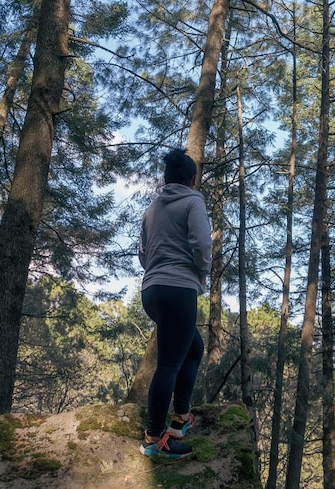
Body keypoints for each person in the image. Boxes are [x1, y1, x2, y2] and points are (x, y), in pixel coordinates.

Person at [138, 148, 212, 459]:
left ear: (166, 180)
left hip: (151, 290)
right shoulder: (194, 201)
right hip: (179, 289)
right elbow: (202, 242)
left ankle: (180, 419)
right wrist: (202, 270)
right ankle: (155, 440)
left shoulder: (152, 208)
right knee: (169, 363)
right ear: (193, 179)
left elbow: (142, 251)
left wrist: (156, 270)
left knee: (193, 347)